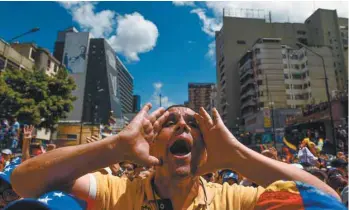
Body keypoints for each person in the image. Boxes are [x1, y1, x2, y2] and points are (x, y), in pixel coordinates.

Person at [11, 104, 339, 209]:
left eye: (193, 124)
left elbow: (328, 202)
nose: (182, 123)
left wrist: (237, 156)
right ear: (151, 145)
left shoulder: (234, 199)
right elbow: (24, 182)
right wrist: (114, 147)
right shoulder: (118, 193)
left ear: (204, 145)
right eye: (170, 122)